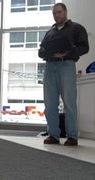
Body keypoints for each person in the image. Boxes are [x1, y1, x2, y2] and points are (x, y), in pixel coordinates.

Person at [38, 3, 89, 146]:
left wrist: (69, 53)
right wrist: (47, 52)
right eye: (54, 13)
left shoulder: (76, 28)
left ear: (65, 12)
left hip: (66, 65)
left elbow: (84, 47)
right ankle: (53, 134)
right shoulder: (50, 32)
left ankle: (72, 136)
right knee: (50, 103)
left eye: (59, 12)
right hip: (50, 66)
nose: (57, 15)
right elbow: (40, 50)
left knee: (69, 102)